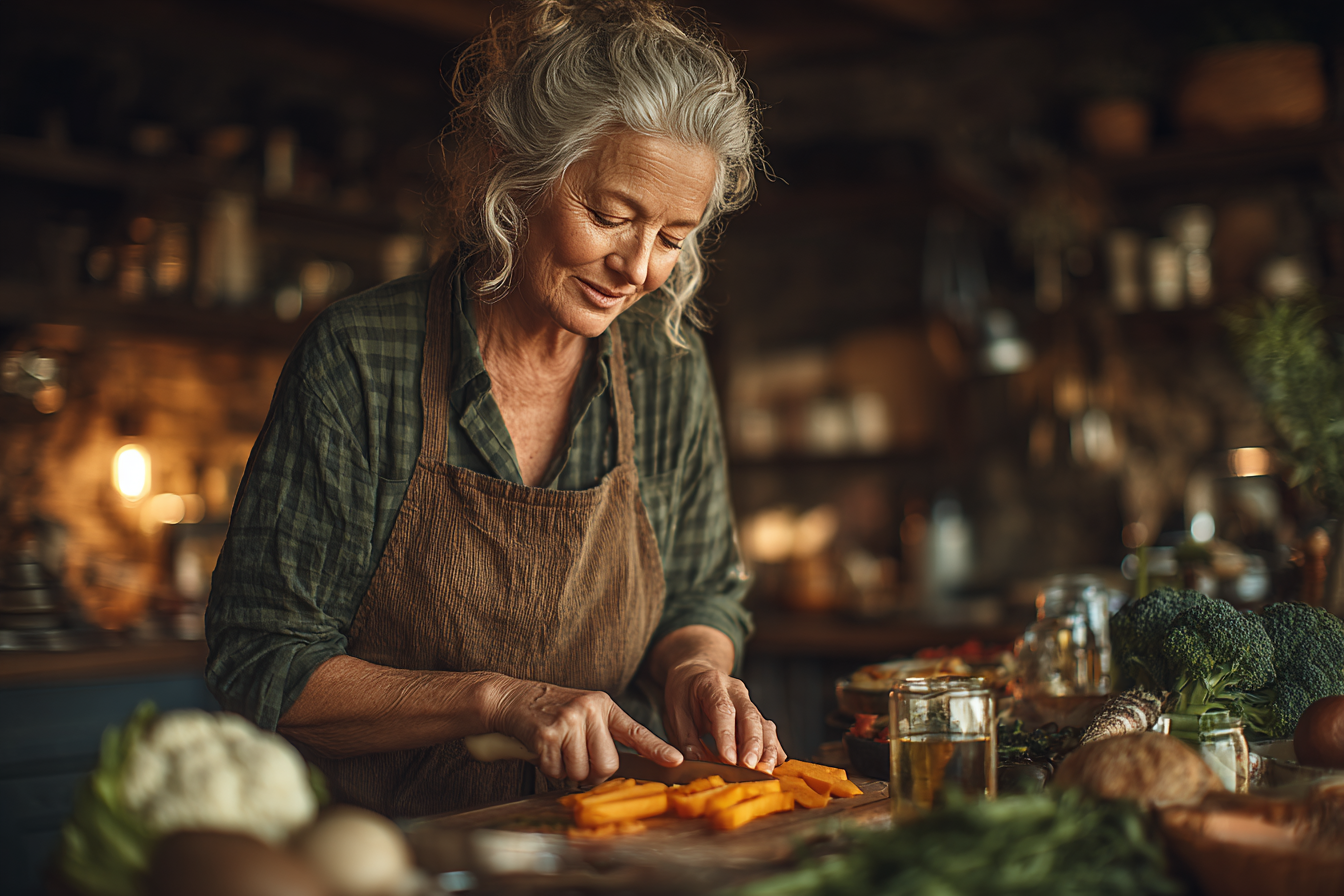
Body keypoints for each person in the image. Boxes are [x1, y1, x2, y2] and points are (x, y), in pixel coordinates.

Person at [204, 0, 785, 817]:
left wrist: (695, 669)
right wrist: (497, 700)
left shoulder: (661, 362)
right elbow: (263, 661)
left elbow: (699, 593)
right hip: (380, 851)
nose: (637, 268)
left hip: (604, 840)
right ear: (511, 171)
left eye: (671, 236)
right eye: (610, 217)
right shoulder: (363, 358)